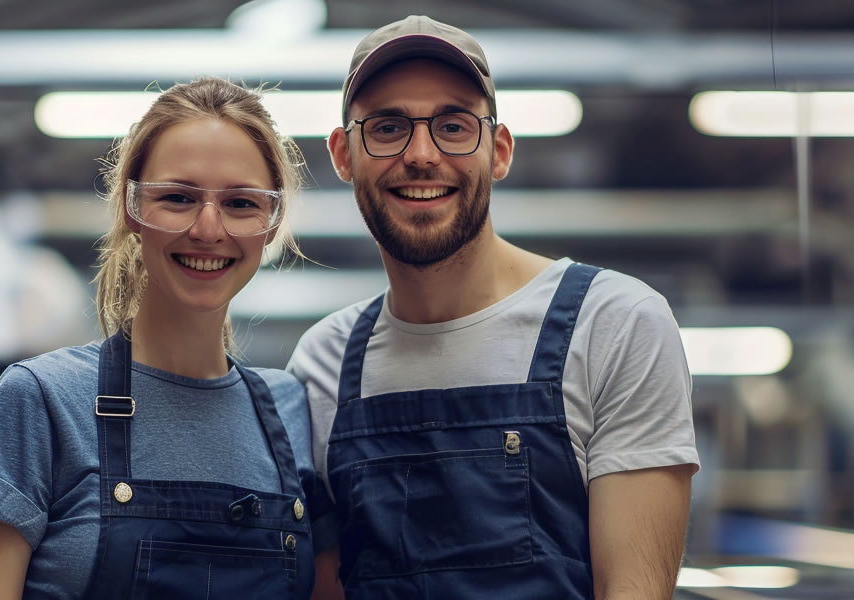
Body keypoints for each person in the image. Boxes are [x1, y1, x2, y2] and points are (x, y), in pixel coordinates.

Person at [287, 16, 701, 600]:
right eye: (387, 127)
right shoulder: (323, 363)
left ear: (499, 151)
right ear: (343, 154)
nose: (422, 155)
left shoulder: (613, 323)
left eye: (454, 126)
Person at [0, 77, 326, 599]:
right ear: (132, 206)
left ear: (272, 222)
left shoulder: (291, 411)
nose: (208, 229)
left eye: (241, 203)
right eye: (178, 197)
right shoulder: (43, 400)